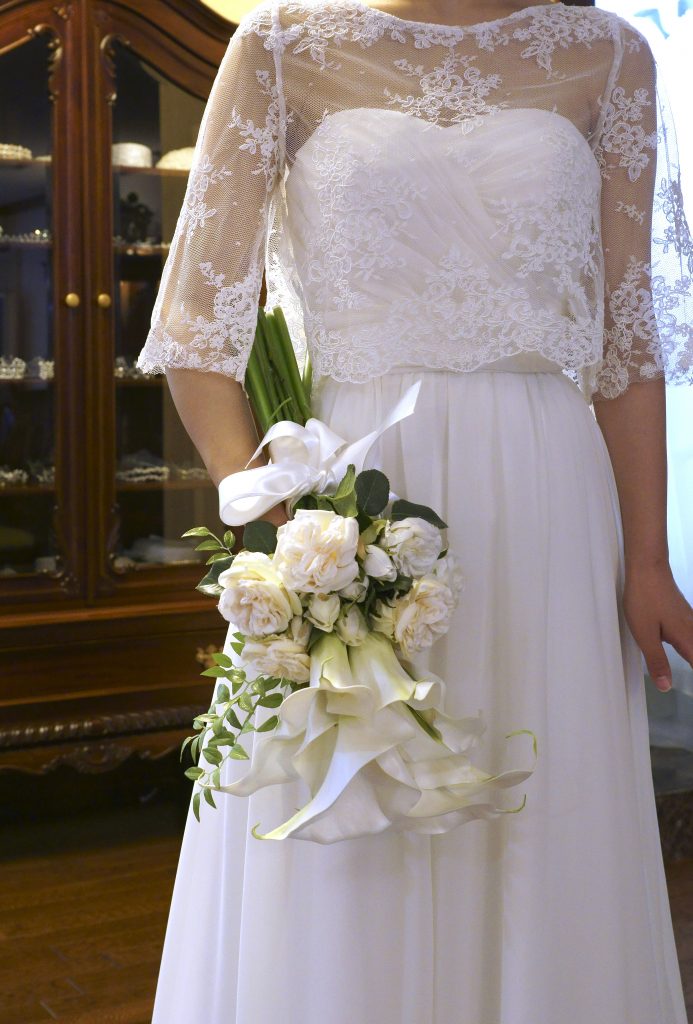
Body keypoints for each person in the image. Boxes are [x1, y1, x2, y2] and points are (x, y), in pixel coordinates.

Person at [136, 1, 693, 1020]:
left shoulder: (610, 54)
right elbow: (196, 327)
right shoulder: (281, 45)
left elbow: (627, 343)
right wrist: (272, 511)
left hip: (549, 499)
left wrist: (649, 560)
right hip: (353, 492)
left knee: (543, 795)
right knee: (352, 797)